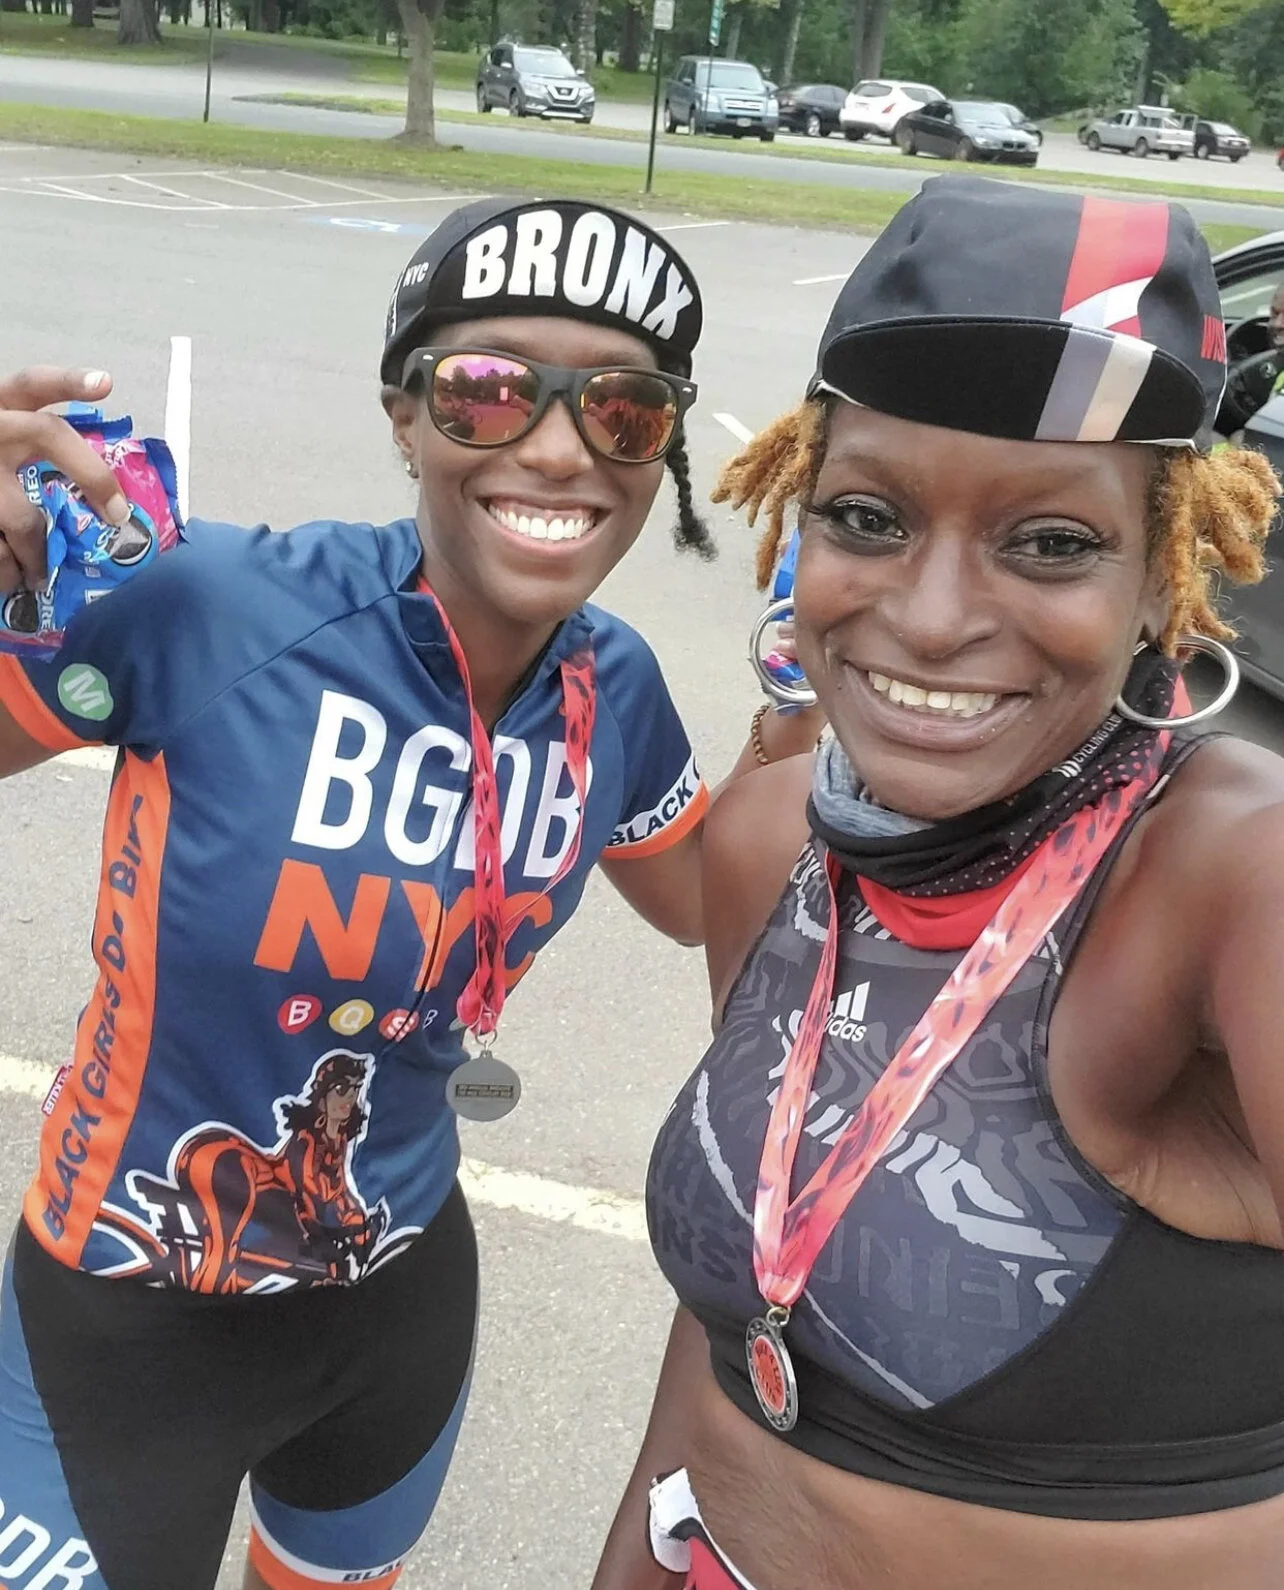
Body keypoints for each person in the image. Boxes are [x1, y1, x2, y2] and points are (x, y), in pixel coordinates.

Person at [0, 197, 818, 1590]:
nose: (557, 446)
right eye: (487, 390)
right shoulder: (216, 607)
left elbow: (695, 898)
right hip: (124, 1310)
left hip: (395, 1303)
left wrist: (797, 691)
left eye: (623, 409)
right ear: (403, 420)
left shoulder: (612, 687)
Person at [593, 177, 1284, 1590]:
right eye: (868, 516)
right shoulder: (770, 835)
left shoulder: (1233, 879)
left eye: (1052, 542)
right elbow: (746, 1296)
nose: (930, 613)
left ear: (1165, 576)